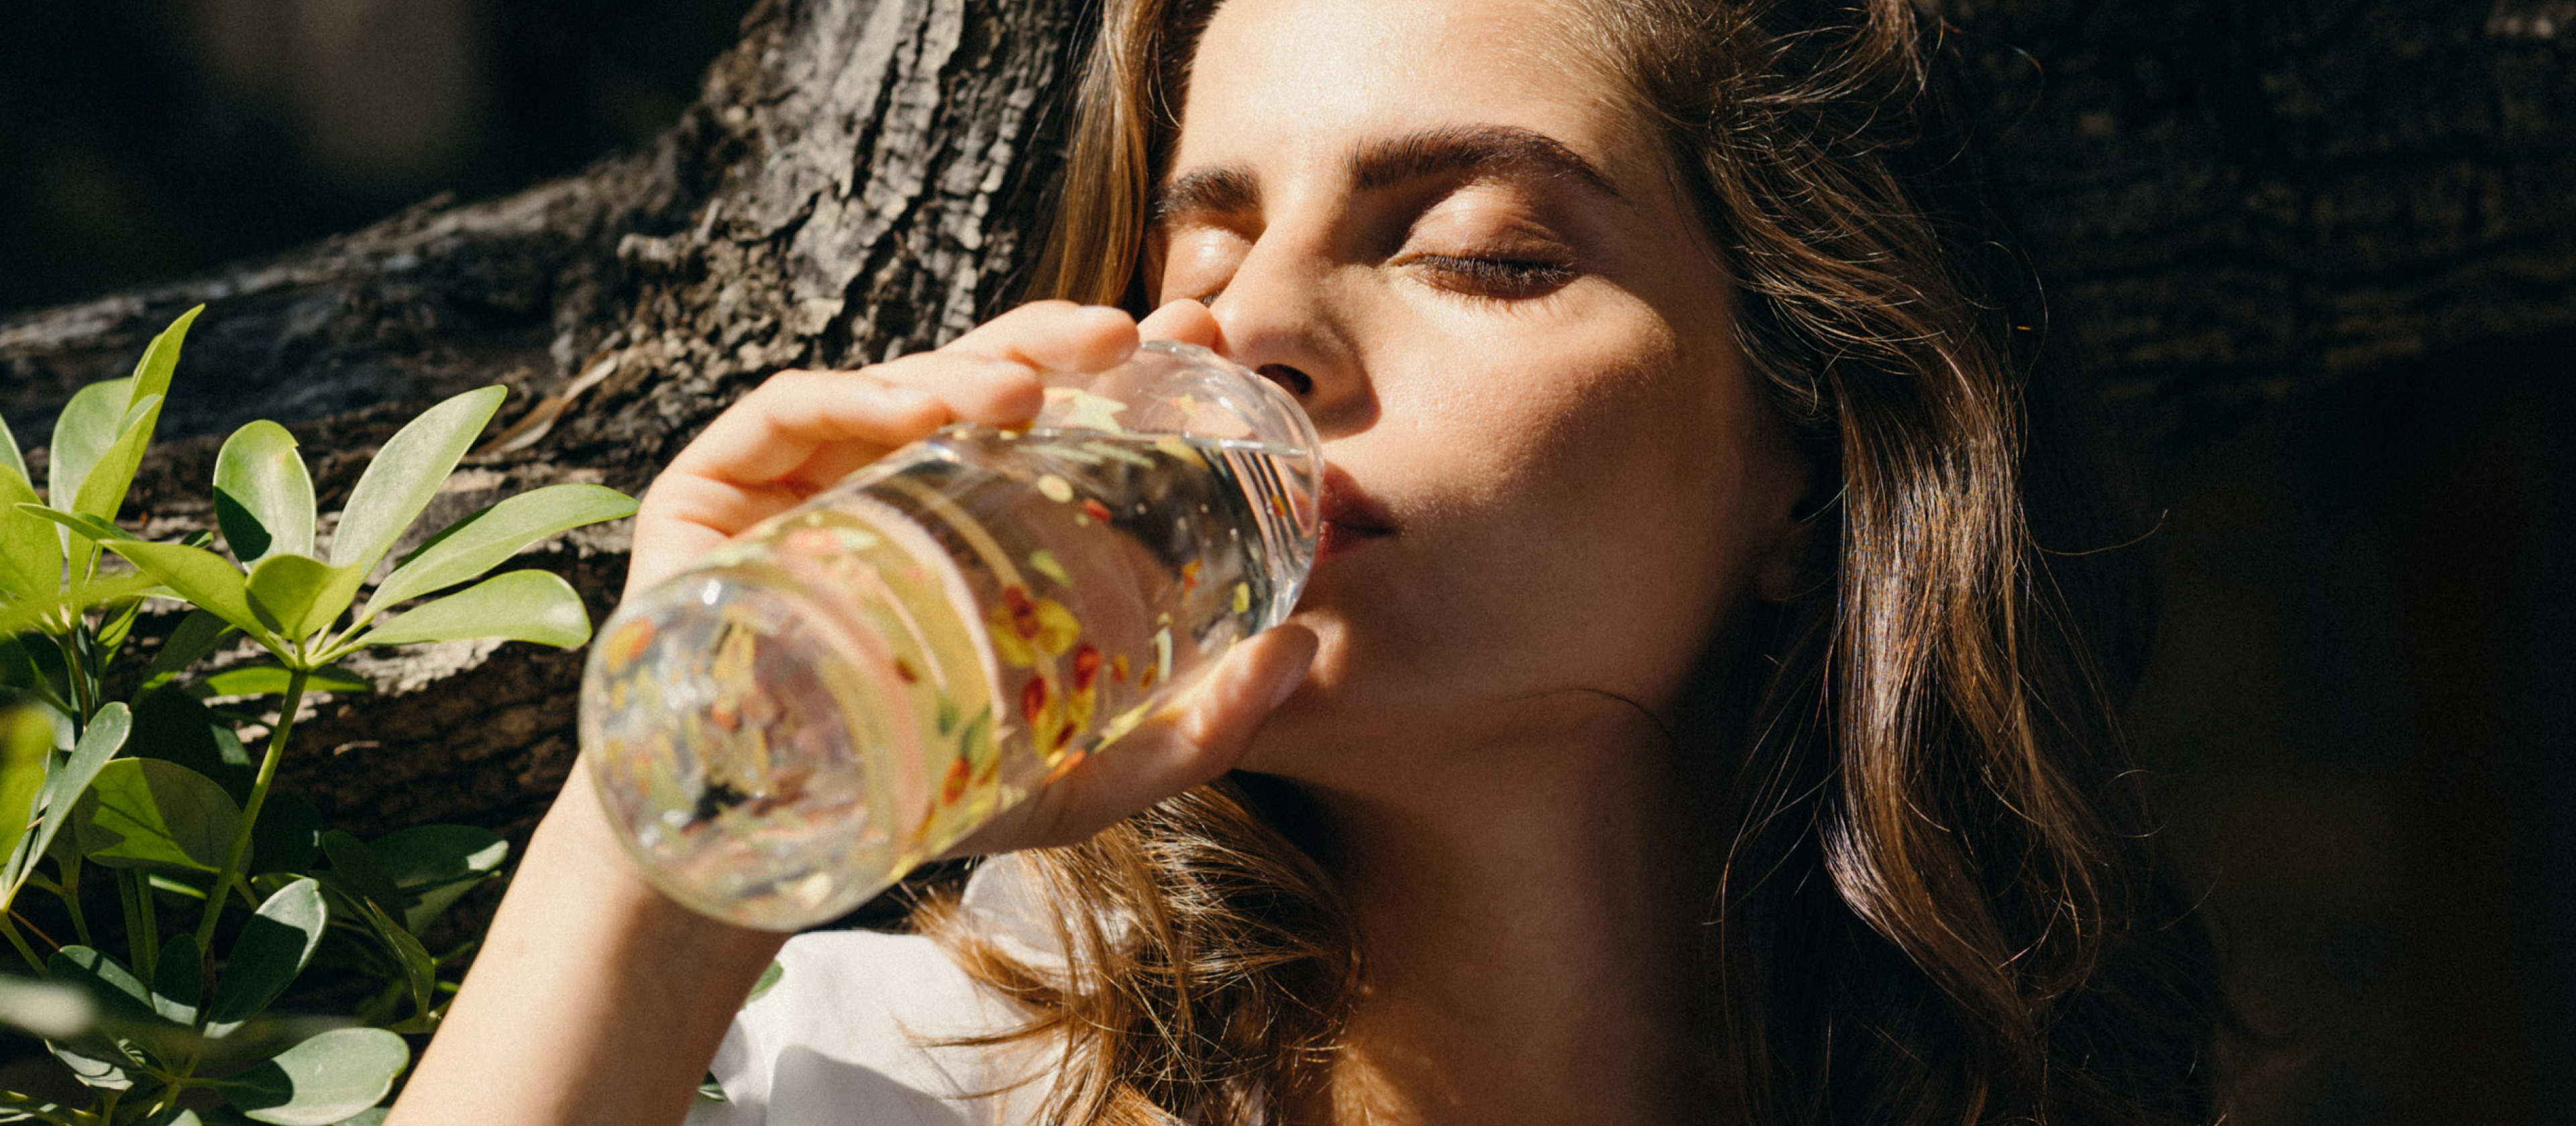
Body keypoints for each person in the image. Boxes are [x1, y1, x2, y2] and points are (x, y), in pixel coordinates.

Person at [392, 0, 2224, 1122]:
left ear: (1809, 463)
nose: (1255, 323)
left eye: (1481, 250)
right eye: (1201, 259)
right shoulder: (880, 1086)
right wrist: (668, 858)